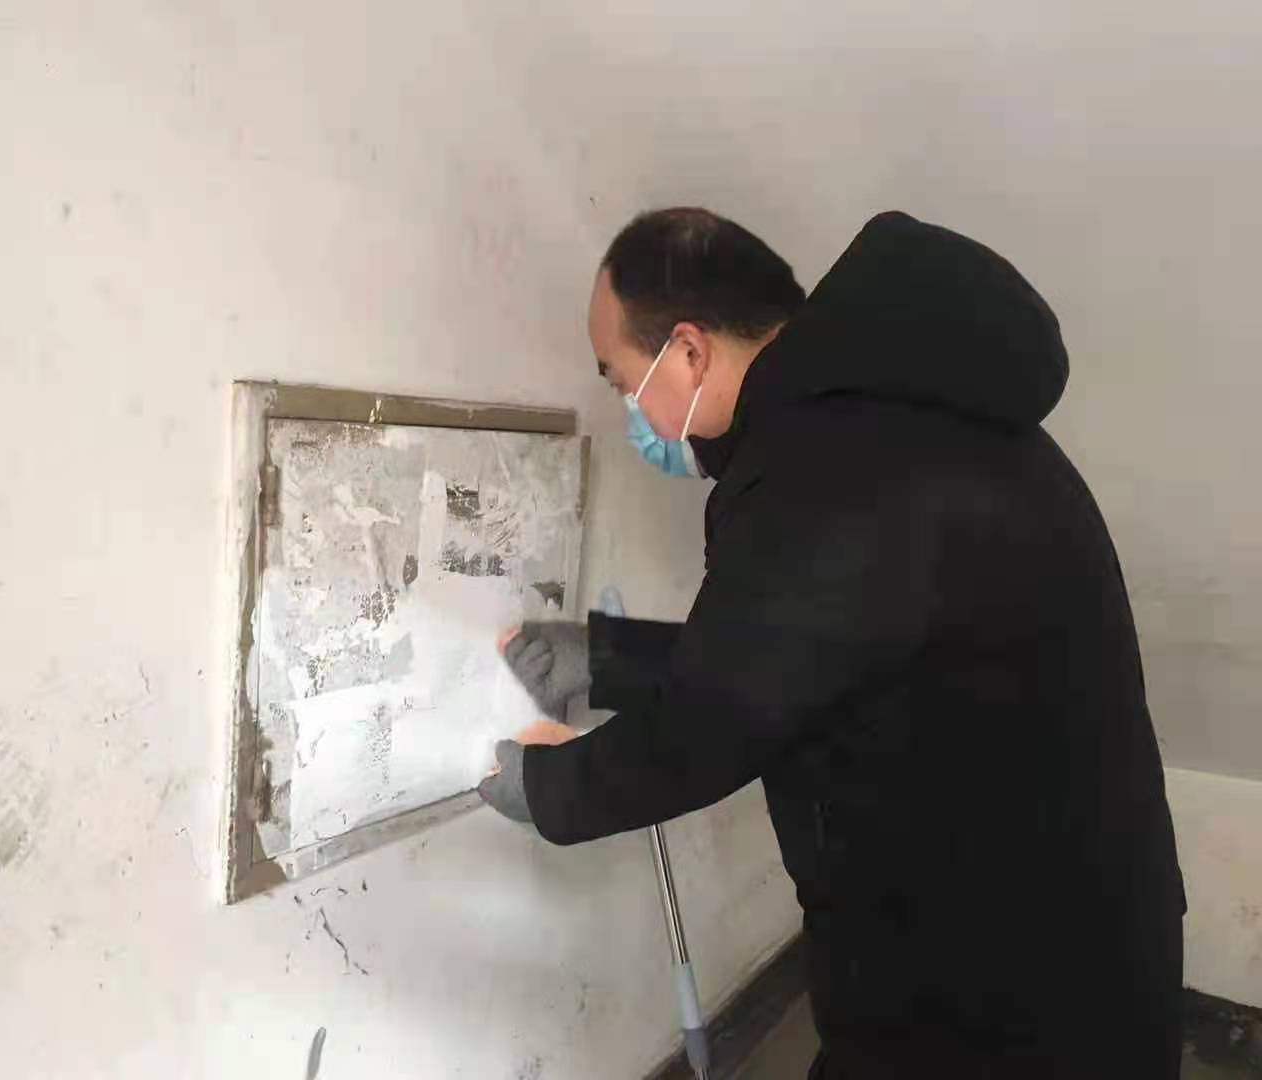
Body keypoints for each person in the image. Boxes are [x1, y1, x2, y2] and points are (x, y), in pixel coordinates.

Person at [478, 209, 1186, 1077]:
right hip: (1059, 925)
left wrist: (550, 786)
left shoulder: (821, 467)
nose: (633, 412)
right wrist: (603, 659)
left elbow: (721, 719)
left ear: (689, 352)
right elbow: (813, 653)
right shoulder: (909, 413)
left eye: (623, 381)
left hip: (994, 985)